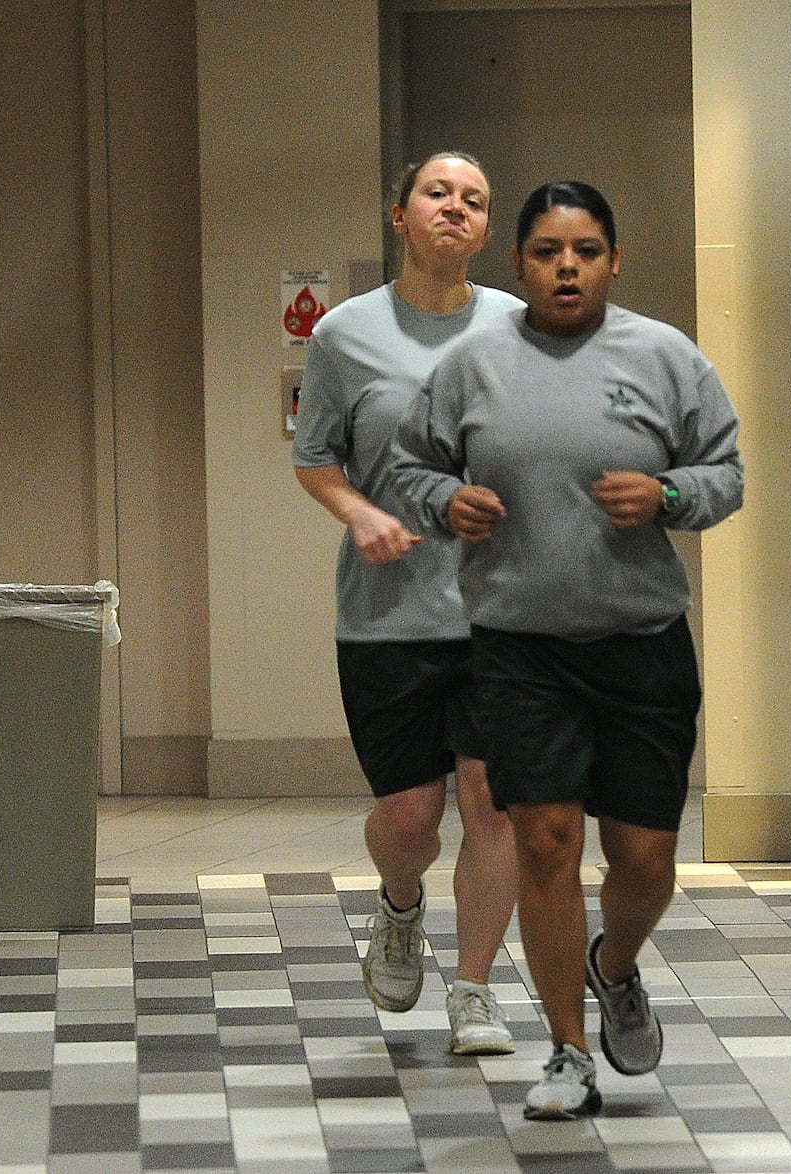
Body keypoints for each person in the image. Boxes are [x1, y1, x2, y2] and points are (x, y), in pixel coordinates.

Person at [391, 180, 745, 1119]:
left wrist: (669, 498)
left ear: (613, 260)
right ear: (520, 264)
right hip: (519, 648)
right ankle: (567, 1053)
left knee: (644, 861)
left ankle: (614, 963)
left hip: (641, 645)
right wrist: (443, 503)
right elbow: (411, 465)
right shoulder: (474, 364)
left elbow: (726, 473)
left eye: (585, 250)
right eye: (547, 251)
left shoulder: (665, 356)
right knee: (546, 842)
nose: (566, 267)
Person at [291, 151, 523, 1056]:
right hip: (386, 615)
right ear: (400, 215)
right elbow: (315, 458)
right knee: (411, 820)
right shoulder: (344, 335)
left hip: (500, 612)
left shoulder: (519, 328)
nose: (456, 209)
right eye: (438, 194)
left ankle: (475, 991)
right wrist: (358, 513)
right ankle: (398, 903)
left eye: (475, 199)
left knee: (493, 802)